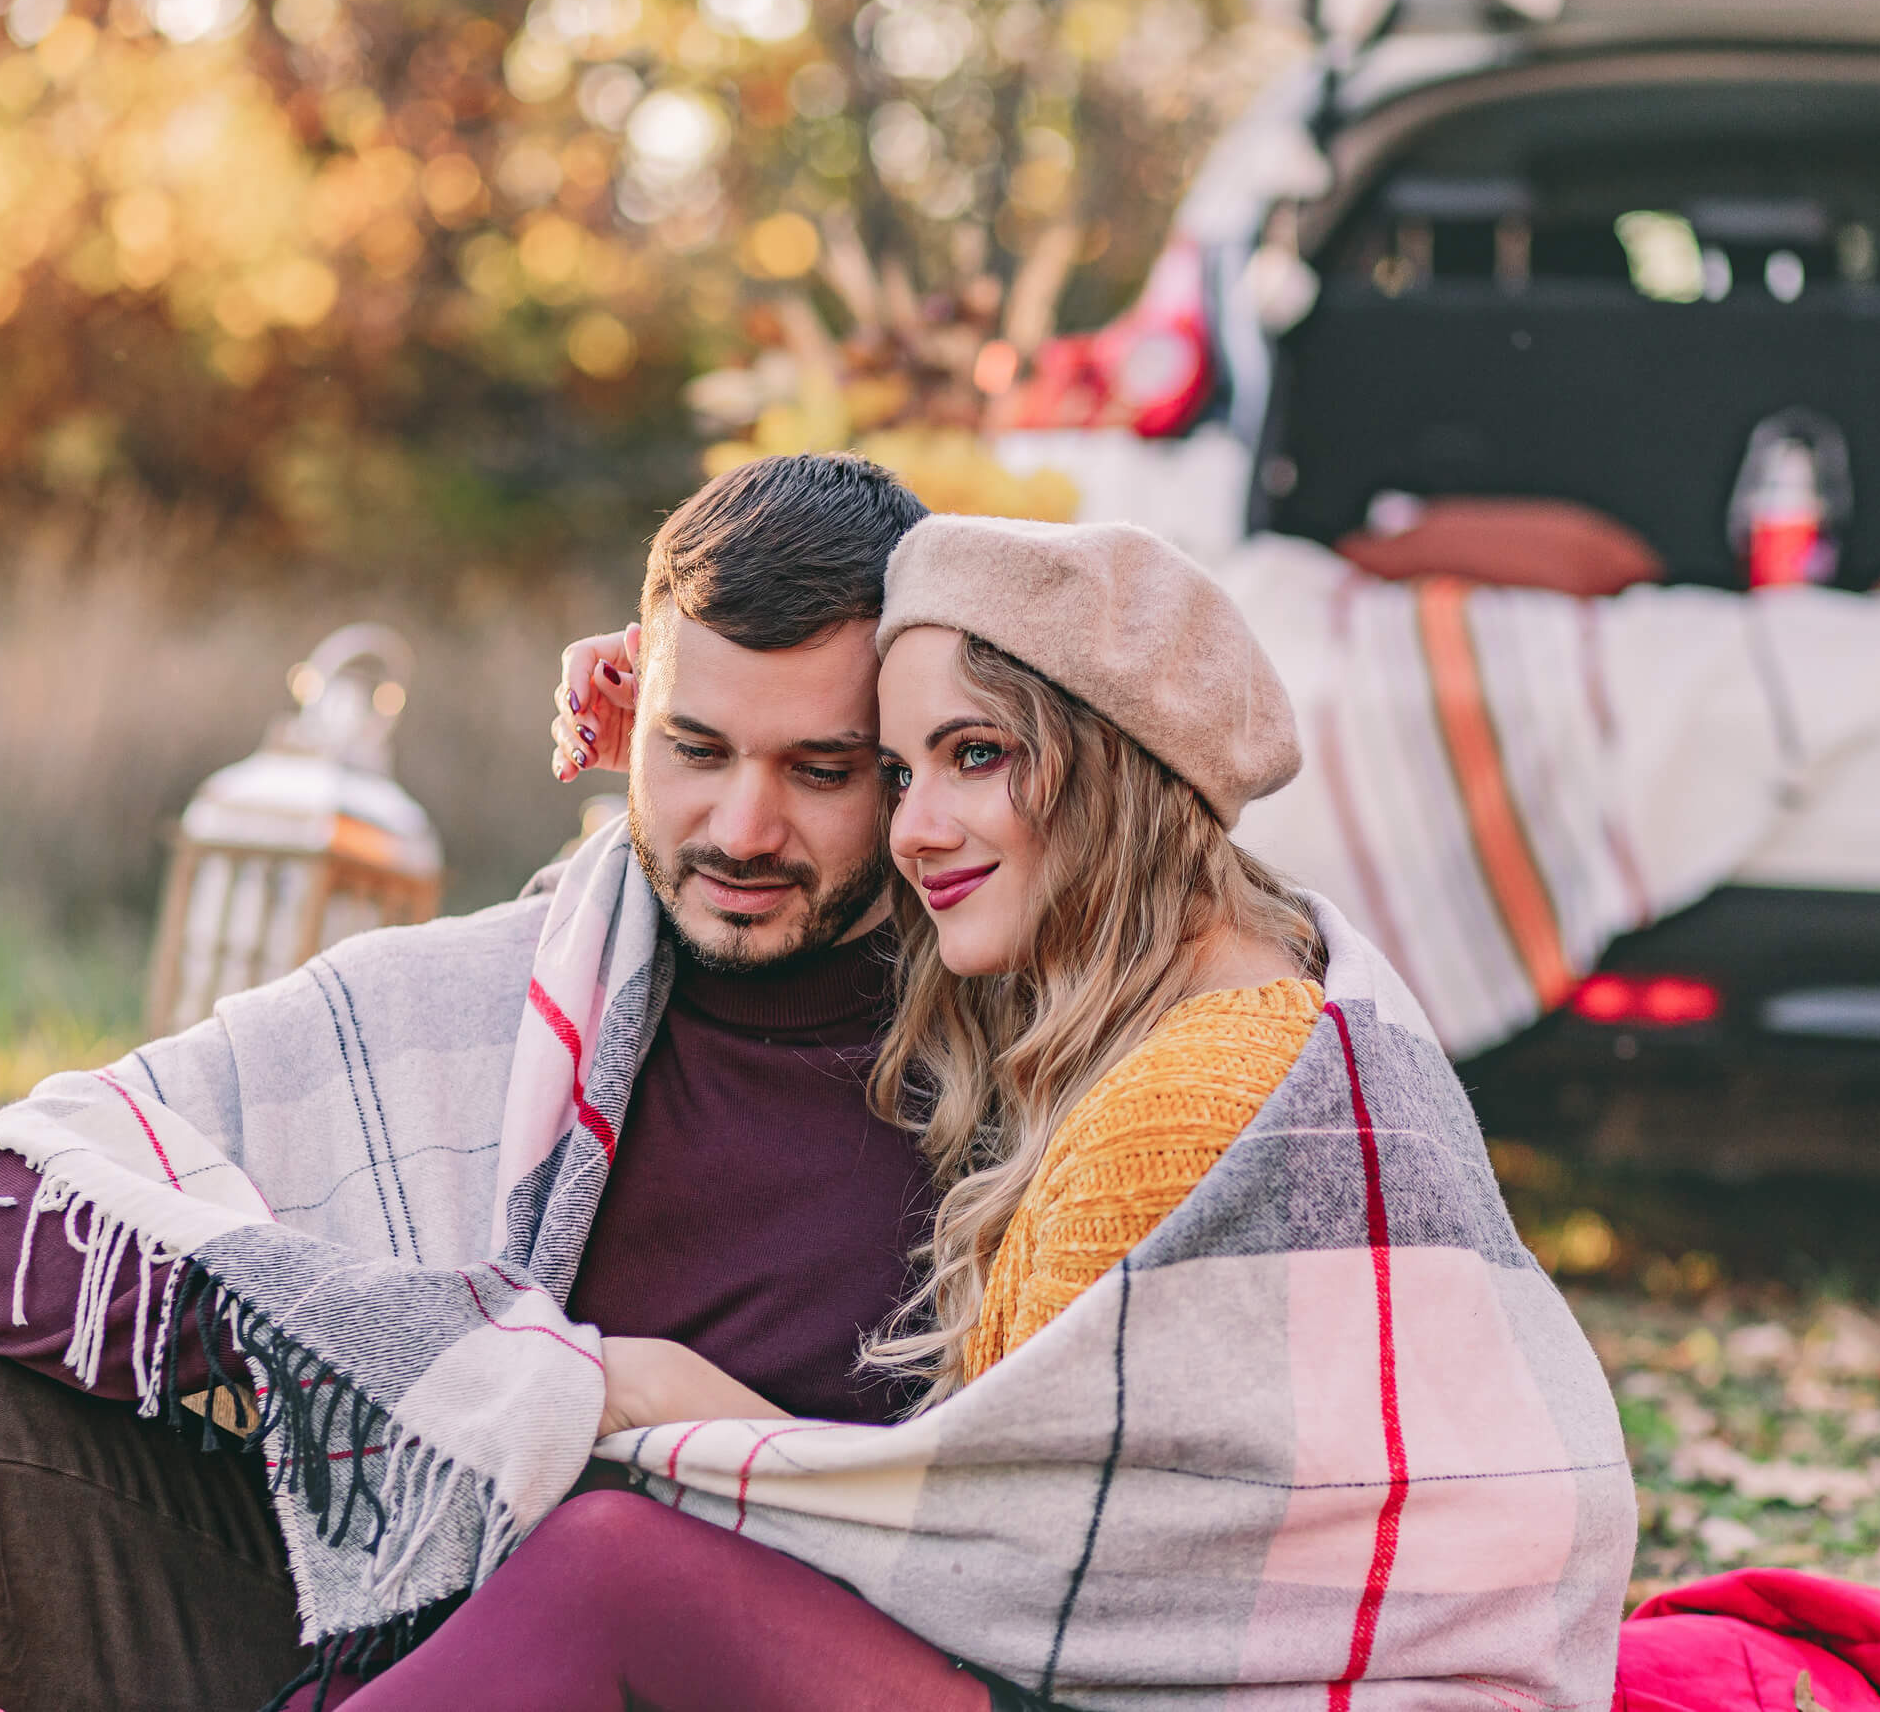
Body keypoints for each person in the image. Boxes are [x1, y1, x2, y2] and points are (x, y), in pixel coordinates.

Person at [330, 514, 1633, 1710]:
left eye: (976, 755)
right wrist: (682, 696)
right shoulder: (1246, 976)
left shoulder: (1186, 1105)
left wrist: (682, 1398)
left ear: (1116, 756)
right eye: (892, 770)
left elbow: (1026, 1581)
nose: (915, 828)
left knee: (611, 1566)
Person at [0, 453, 944, 1712]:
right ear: (626, 716)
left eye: (821, 769)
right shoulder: (492, 1003)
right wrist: (545, 1378)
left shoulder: (1022, 1056)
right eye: (695, 746)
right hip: (389, 1624)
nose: (744, 827)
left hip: (716, 1671)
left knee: (603, 1566)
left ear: (915, 760)